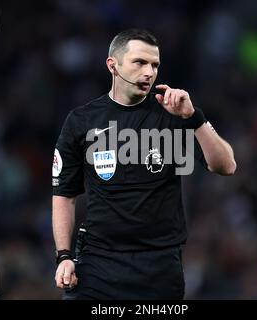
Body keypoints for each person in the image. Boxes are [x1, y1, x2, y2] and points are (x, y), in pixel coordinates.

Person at [52, 28, 236, 300]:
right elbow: (64, 196)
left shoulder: (173, 114)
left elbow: (226, 166)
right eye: (140, 62)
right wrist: (64, 256)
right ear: (112, 65)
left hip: (159, 270)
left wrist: (194, 117)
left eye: (155, 65)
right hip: (98, 264)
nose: (149, 72)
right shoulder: (81, 121)